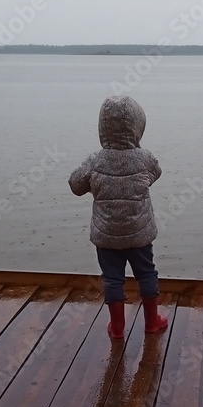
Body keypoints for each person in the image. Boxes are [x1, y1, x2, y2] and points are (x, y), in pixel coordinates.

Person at [68, 94, 169, 339]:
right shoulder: (145, 158)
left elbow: (75, 185)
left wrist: (97, 184)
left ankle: (117, 328)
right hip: (140, 234)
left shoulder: (95, 160)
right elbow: (156, 173)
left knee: (112, 279)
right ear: (138, 127)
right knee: (146, 273)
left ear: (102, 127)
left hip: (107, 237)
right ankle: (152, 321)